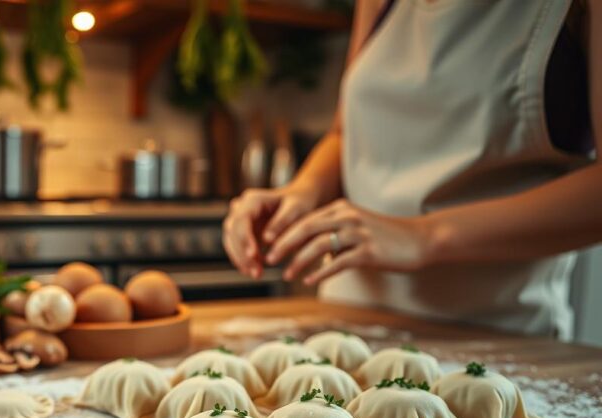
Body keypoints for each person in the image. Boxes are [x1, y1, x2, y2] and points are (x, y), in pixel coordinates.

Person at [222, 0, 601, 339]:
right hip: (347, 322)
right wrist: (301, 192)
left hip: (498, 335)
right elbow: (346, 133)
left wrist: (423, 235)